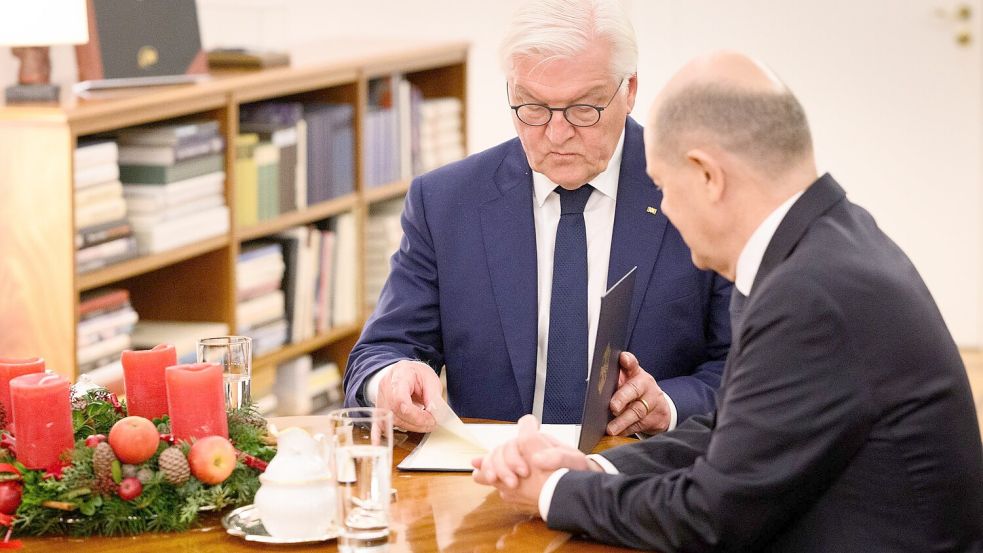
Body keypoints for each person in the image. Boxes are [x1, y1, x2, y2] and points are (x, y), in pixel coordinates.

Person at [472, 51, 983, 551]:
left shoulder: (810, 296)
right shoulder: (829, 242)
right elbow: (730, 436)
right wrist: (589, 467)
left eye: (664, 187)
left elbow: (709, 517)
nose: (665, 208)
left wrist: (553, 492)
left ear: (708, 176)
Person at [343, 0, 732, 435]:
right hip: (490, 481)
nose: (557, 133)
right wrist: (392, 379)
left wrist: (669, 406)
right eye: (532, 108)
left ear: (630, 89)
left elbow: (743, 369)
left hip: (643, 476)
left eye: (584, 108)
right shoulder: (446, 203)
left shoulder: (698, 189)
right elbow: (378, 354)